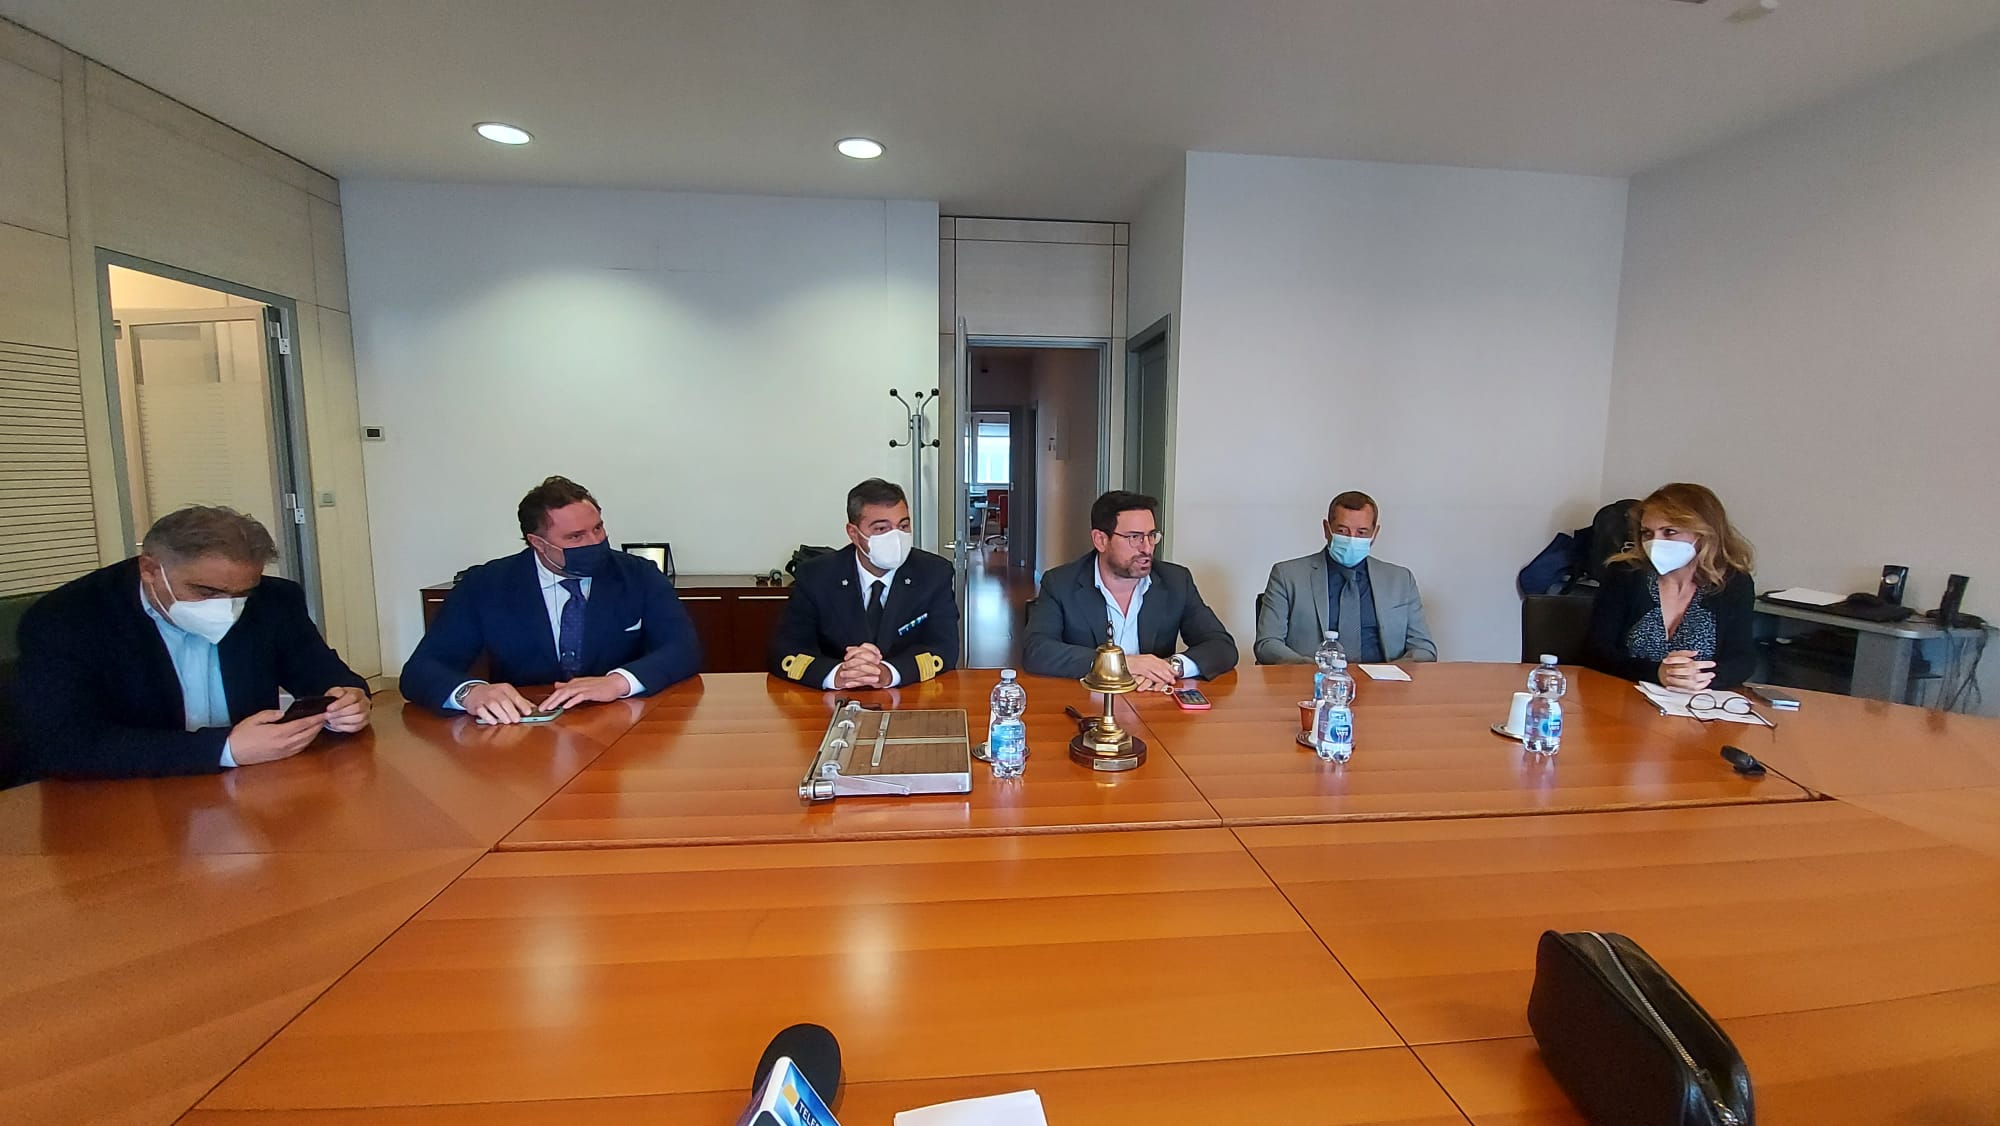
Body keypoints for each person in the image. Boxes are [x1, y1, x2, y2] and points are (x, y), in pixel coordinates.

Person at [15, 505, 371, 779]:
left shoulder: (273, 600)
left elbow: (323, 673)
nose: (227, 607)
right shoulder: (66, 619)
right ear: (150, 570)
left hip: (254, 787)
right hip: (128, 800)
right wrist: (223, 749)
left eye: (243, 593)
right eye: (206, 591)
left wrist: (348, 699)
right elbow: (66, 746)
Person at [401, 476, 700, 723]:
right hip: (523, 728)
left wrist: (618, 682)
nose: (595, 542)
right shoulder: (486, 585)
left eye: (598, 528)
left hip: (619, 720)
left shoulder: (638, 575)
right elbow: (421, 670)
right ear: (538, 543)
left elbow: (683, 648)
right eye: (576, 537)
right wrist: (470, 693)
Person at [1021, 490, 1237, 690]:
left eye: (1151, 535)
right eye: (1134, 537)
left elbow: (1222, 646)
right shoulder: (1061, 583)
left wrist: (1170, 667)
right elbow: (1037, 650)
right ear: (1100, 540)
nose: (1147, 548)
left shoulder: (1176, 581)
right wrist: (1122, 664)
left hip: (1153, 703)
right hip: (1086, 701)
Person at [768, 478, 960, 690]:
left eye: (903, 526)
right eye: (881, 528)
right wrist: (838, 674)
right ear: (853, 533)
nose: (896, 537)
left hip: (910, 695)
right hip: (832, 699)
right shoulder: (816, 576)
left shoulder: (934, 573)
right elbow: (785, 650)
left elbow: (944, 648)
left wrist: (888, 673)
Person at [1584, 482, 1756, 691]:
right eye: (1647, 533)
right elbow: (1596, 652)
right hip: (1625, 697)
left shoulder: (1733, 583)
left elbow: (1742, 659)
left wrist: (1702, 677)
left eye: (1669, 532)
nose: (1655, 543)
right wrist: (1656, 673)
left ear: (1703, 534)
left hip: (1697, 701)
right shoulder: (1625, 573)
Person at [1254, 490, 1438, 665]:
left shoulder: (1400, 580)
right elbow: (1267, 644)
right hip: (1313, 680)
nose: (1352, 539)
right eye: (1342, 531)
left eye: (1362, 532)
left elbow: (1423, 648)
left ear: (1374, 534)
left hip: (1385, 681)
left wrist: (1394, 671)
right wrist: (1310, 669)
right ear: (1327, 529)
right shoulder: (1287, 576)